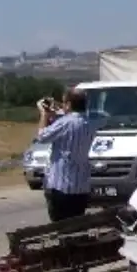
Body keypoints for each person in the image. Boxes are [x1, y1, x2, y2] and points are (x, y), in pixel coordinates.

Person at [35, 88, 96, 222]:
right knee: (76, 225)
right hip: (81, 186)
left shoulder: (65, 123)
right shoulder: (90, 123)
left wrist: (44, 115)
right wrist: (54, 114)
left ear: (68, 104)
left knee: (60, 226)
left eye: (64, 103)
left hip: (61, 186)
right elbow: (70, 122)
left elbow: (42, 137)